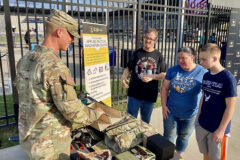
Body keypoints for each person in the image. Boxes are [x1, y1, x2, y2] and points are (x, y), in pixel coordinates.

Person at [15, 9, 104, 160]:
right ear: (60, 32)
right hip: (50, 145)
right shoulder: (54, 67)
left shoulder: (26, 58)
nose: (72, 40)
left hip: (31, 138)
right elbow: (73, 111)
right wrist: (96, 114)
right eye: (71, 35)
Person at [160, 46, 207, 159]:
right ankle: (167, 156)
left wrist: (200, 113)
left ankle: (179, 154)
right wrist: (163, 106)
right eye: (179, 58)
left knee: (184, 137)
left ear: (192, 57)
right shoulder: (173, 70)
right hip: (171, 111)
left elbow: (206, 95)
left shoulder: (203, 72)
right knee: (168, 137)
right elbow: (164, 88)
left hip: (190, 114)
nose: (180, 61)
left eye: (183, 58)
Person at [196, 43, 237, 160]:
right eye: (200, 59)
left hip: (218, 130)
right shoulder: (207, 75)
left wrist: (221, 130)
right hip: (203, 124)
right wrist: (198, 117)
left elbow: (231, 107)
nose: (201, 62)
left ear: (215, 58)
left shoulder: (227, 78)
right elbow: (203, 96)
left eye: (204, 59)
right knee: (206, 155)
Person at [121, 28, 167, 123]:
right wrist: (123, 77)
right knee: (129, 120)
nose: (148, 40)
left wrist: (152, 77)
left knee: (145, 122)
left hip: (149, 95)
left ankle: (142, 137)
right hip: (134, 93)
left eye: (151, 39)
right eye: (146, 37)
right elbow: (128, 68)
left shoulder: (158, 55)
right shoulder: (137, 53)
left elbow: (164, 74)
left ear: (155, 41)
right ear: (143, 38)